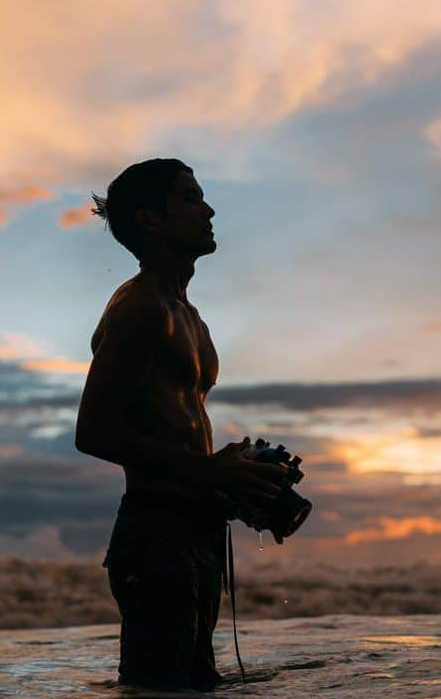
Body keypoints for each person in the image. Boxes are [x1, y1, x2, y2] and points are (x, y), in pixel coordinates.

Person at [75, 158, 287, 691]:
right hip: (156, 532)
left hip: (198, 527)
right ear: (149, 220)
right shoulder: (140, 308)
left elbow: (176, 423)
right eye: (191, 199)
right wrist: (210, 470)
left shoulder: (189, 316)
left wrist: (233, 469)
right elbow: (94, 431)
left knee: (197, 687)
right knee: (158, 690)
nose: (209, 210)